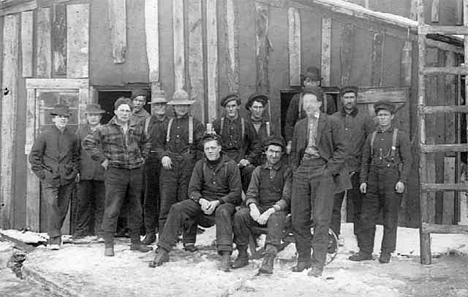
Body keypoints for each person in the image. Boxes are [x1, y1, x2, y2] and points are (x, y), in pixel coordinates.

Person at [150, 133, 242, 272]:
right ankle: (163, 250)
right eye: (207, 149)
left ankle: (225, 254)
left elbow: (236, 192)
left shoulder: (231, 165)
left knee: (223, 211)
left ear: (219, 149)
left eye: (213, 148)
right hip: (203, 201)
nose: (210, 151)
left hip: (223, 202)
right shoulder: (200, 165)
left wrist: (218, 202)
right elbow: (192, 190)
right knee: (177, 208)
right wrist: (201, 200)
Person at [290, 86, 350, 277]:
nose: (308, 105)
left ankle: (318, 264)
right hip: (302, 171)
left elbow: (342, 150)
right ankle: (303, 259)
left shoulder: (332, 122)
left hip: (322, 170)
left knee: (321, 219)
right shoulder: (299, 125)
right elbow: (293, 153)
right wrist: (296, 169)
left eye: (311, 101)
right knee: (299, 218)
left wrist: (328, 170)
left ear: (319, 103)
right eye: (305, 102)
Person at [83, 97, 152, 256]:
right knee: (112, 207)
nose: (125, 113)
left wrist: (143, 157)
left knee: (136, 207)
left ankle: (135, 242)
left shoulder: (137, 127)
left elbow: (147, 142)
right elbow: (88, 143)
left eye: (127, 110)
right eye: (122, 110)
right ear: (115, 112)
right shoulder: (105, 129)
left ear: (131, 112)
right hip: (115, 172)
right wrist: (103, 160)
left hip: (135, 172)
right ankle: (109, 244)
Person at [349, 100, 412, 264]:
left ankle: (386, 252)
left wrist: (402, 181)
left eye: (385, 115)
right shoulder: (372, 137)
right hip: (373, 180)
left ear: (392, 116)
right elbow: (365, 161)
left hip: (392, 180)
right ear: (376, 117)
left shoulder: (400, 136)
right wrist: (363, 180)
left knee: (390, 218)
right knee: (367, 218)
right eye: (379, 115)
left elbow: (408, 160)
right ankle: (365, 251)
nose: (382, 118)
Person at [231, 136, 292, 274]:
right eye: (271, 151)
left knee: (275, 218)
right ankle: (242, 255)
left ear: (282, 154)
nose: (274, 155)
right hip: (260, 208)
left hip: (277, 210)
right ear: (265, 152)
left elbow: (286, 198)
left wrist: (269, 211)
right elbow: (251, 193)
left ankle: (269, 259)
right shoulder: (258, 171)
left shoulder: (287, 171)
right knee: (240, 215)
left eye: (277, 152)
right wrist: (253, 207)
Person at [157, 89, 205, 252]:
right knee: (166, 203)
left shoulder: (196, 124)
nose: (182, 108)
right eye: (179, 106)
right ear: (174, 107)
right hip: (169, 167)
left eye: (185, 106)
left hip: (188, 166)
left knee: (188, 203)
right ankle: (163, 241)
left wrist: (193, 162)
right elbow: (157, 145)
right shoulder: (166, 124)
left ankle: (189, 241)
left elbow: (202, 148)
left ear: (188, 107)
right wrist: (163, 156)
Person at [29, 103, 80, 250]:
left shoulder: (72, 137)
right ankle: (54, 238)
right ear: (53, 119)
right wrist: (43, 174)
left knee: (63, 208)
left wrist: (73, 172)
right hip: (50, 177)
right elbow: (34, 157)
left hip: (67, 178)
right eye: (59, 117)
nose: (62, 119)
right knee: (51, 204)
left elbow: (76, 157)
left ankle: (55, 235)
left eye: (65, 117)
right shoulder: (44, 135)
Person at [330, 86, 375, 247]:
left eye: (352, 97)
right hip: (338, 170)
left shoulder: (365, 119)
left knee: (359, 206)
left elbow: (371, 144)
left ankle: (361, 240)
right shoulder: (333, 119)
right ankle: (332, 239)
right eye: (346, 97)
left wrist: (366, 169)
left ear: (356, 99)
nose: (349, 100)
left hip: (357, 169)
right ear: (341, 99)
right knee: (334, 206)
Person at [213, 93, 261, 193]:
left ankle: (249, 201)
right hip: (223, 163)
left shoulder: (246, 124)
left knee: (250, 170)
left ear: (238, 106)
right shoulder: (218, 124)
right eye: (228, 106)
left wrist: (248, 160)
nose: (231, 109)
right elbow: (210, 144)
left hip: (240, 162)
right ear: (225, 108)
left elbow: (256, 145)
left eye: (233, 106)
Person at [73, 104, 106, 242]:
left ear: (100, 117)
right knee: (83, 203)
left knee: (102, 203)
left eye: (96, 115)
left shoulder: (106, 130)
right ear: (86, 116)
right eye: (90, 115)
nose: (93, 118)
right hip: (84, 173)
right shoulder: (80, 132)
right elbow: (74, 153)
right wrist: (76, 170)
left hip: (102, 173)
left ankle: (101, 232)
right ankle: (81, 231)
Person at [284, 66, 337, 154]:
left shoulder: (327, 99)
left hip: (322, 140)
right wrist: (290, 142)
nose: (310, 84)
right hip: (302, 139)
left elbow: (334, 124)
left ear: (318, 83)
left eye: (313, 81)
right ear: (304, 83)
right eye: (307, 81)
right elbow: (289, 123)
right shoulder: (297, 99)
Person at [141, 90, 170, 245]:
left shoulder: (171, 122)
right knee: (149, 198)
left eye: (163, 105)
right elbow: (138, 141)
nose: (160, 107)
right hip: (149, 164)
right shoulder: (145, 122)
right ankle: (150, 232)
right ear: (153, 107)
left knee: (166, 199)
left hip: (167, 163)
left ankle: (165, 233)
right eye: (157, 104)